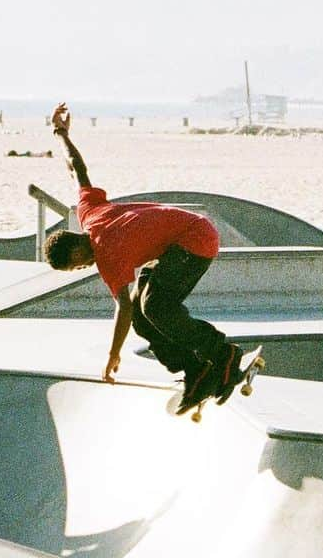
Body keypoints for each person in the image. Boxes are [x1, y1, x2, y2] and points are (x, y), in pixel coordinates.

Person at [43, 103, 239, 411]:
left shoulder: (105, 253)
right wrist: (61, 134)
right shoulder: (89, 213)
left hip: (196, 240)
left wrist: (113, 355)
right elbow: (76, 169)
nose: (84, 267)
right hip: (173, 245)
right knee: (142, 317)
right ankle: (195, 369)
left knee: (155, 307)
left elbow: (120, 307)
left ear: (78, 250)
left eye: (77, 264)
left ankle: (222, 353)